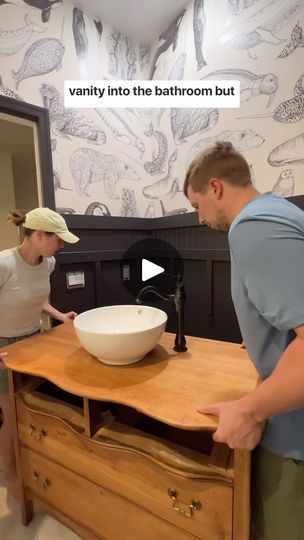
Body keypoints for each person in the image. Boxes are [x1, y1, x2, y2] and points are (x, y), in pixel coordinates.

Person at [183, 142, 304, 540]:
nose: (199, 218)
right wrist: (264, 336)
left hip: (294, 431)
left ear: (215, 187)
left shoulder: (254, 228)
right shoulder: (280, 211)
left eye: (197, 204)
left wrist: (250, 410)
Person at [0, 207, 79, 494]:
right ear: (40, 235)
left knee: (34, 404)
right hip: (6, 347)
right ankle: (10, 474)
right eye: (58, 239)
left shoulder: (48, 264)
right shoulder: (4, 264)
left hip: (36, 339)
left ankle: (37, 460)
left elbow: (36, 300)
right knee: (12, 412)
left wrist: (60, 316)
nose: (61, 246)